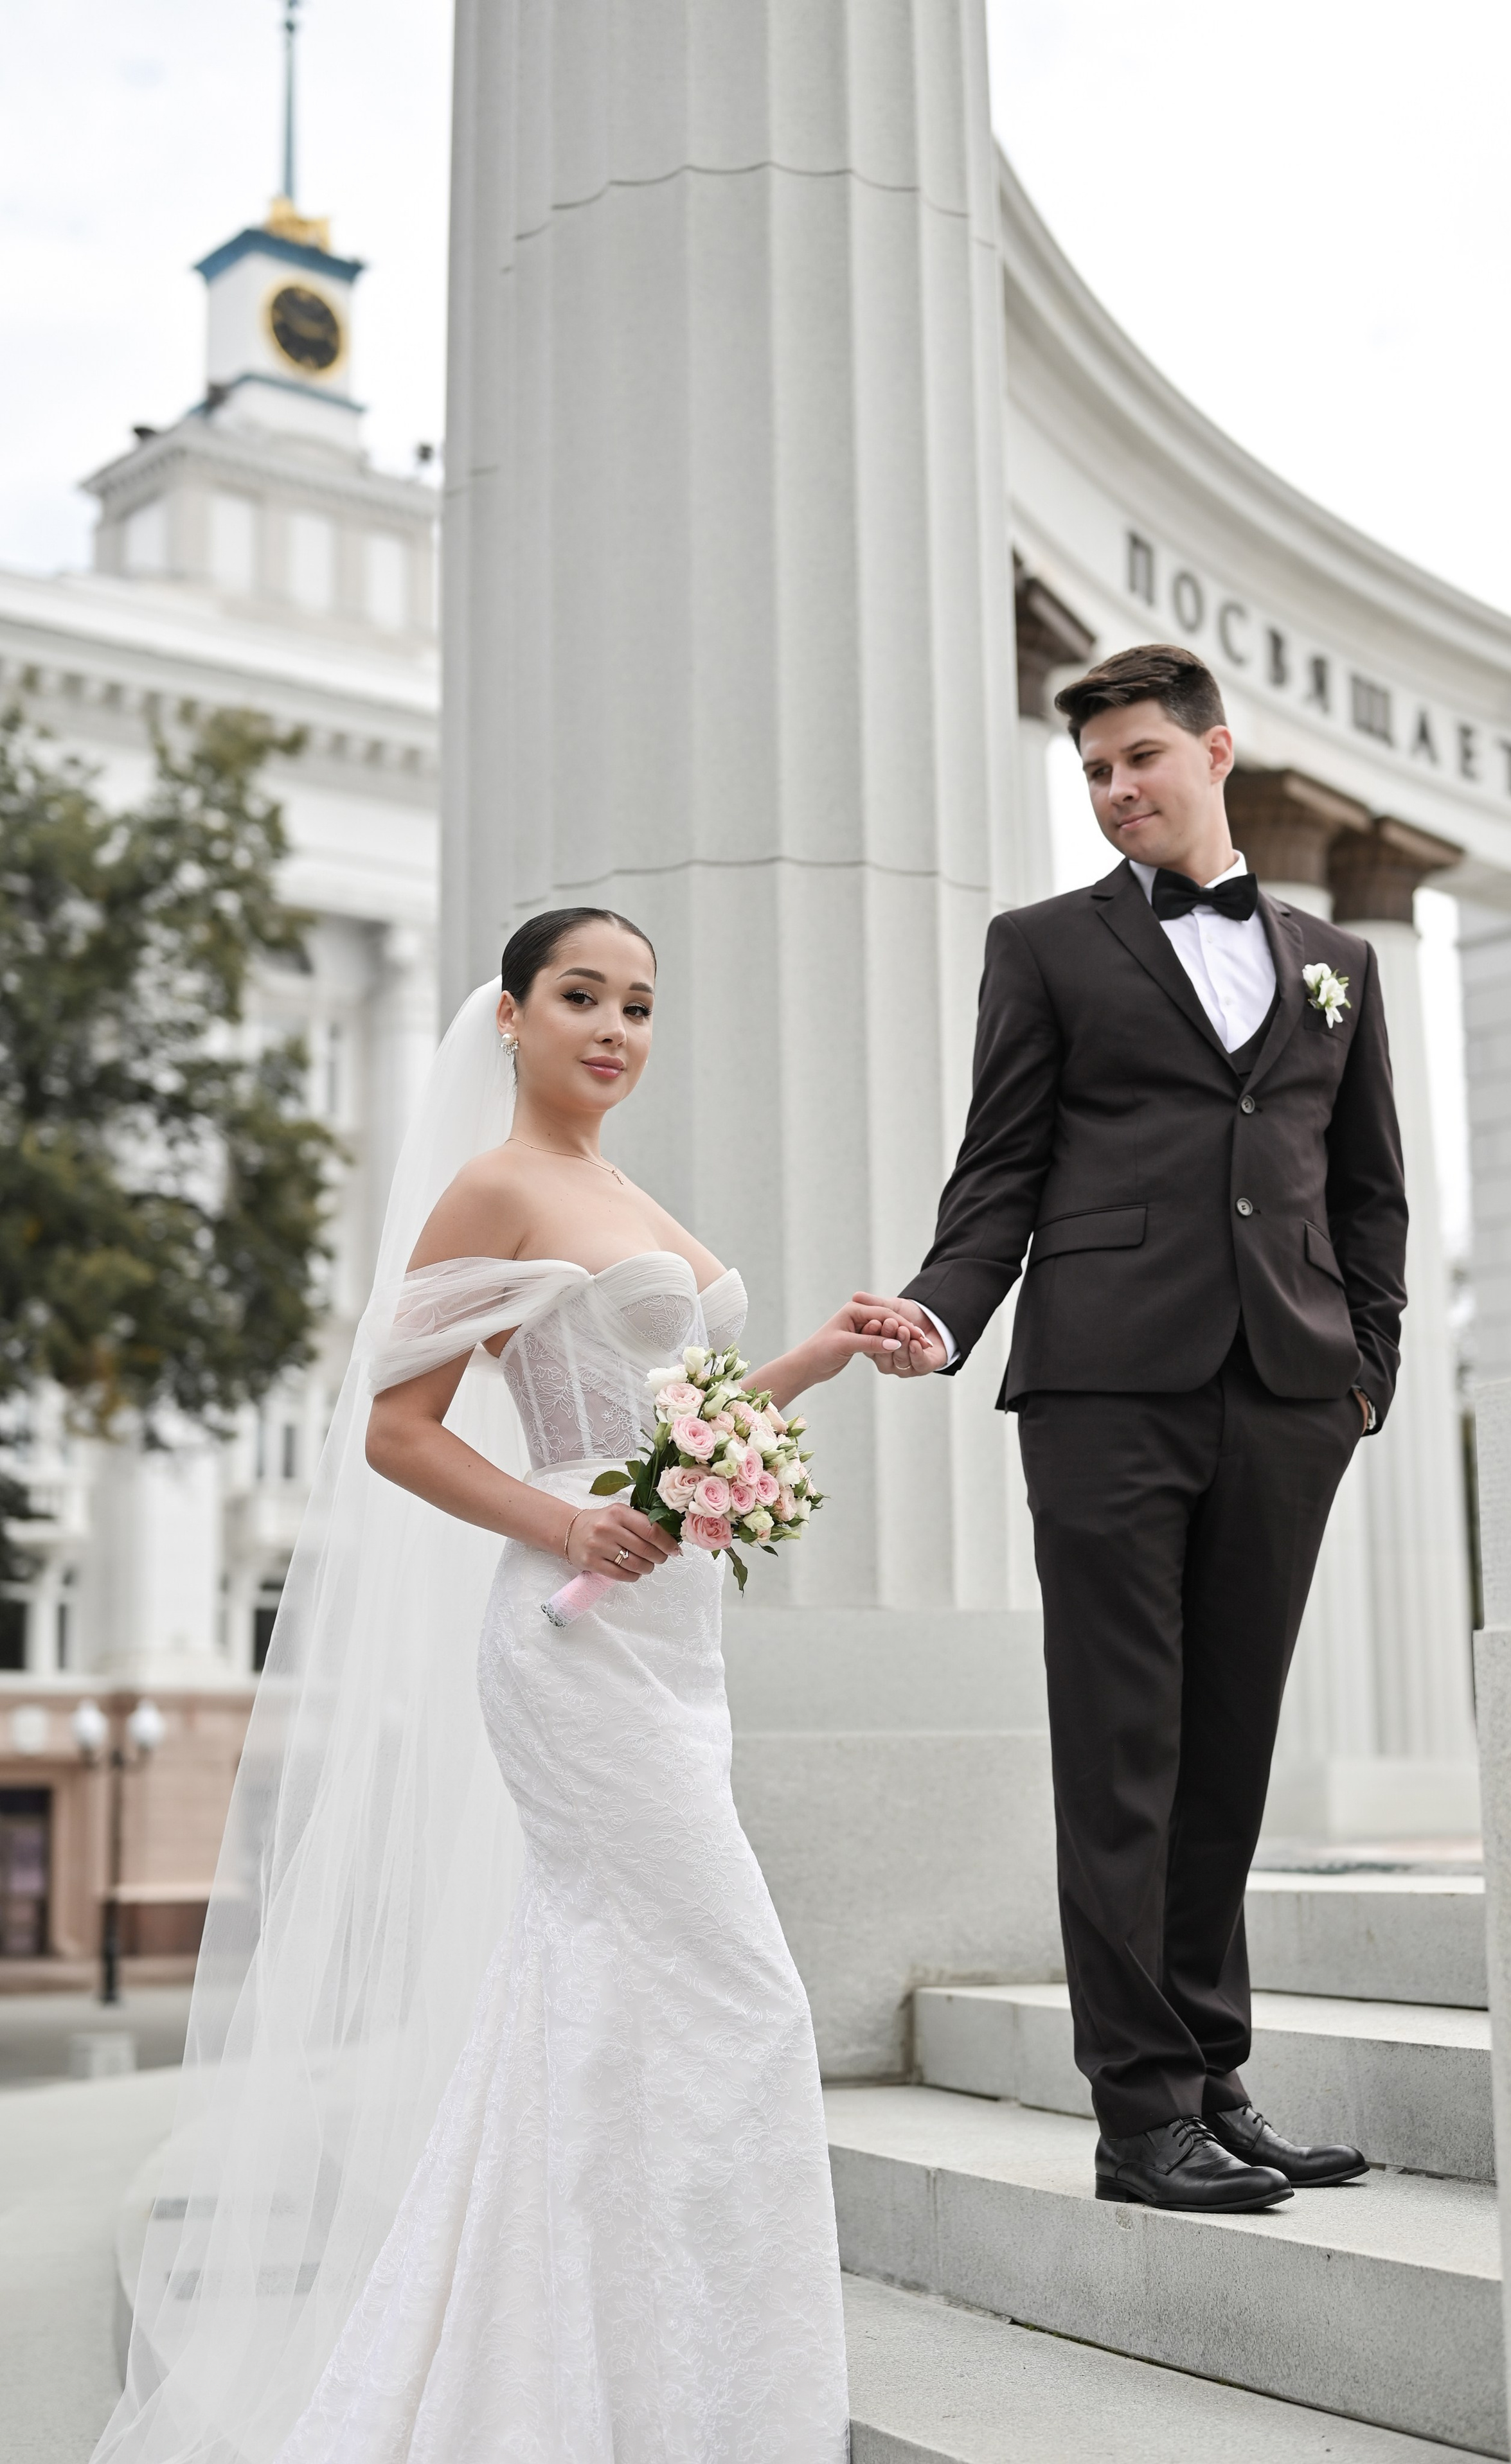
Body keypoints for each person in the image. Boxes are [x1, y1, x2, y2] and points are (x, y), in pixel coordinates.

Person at [100, 908, 918, 2464]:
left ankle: (586, 2375)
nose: (613, 1028)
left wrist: (817, 1355)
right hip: (570, 1635)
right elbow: (395, 1428)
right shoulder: (497, 1185)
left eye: (638, 1006)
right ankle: (696, 2395)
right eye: (581, 997)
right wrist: (560, 1518)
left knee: (601, 1998)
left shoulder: (618, 1189)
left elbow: (688, 1420)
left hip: (676, 1639)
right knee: (737, 1995)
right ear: (511, 1017)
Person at [855, 644, 1406, 2213]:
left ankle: (1212, 2081)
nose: (1112, 792)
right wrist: (944, 1310)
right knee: (1122, 1751)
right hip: (1103, 1390)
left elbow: (1367, 1195)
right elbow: (999, 1171)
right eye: (1091, 773)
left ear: (1214, 751)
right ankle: (1136, 2117)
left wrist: (1362, 1369)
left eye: (1138, 759)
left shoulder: (1333, 962)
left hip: (1289, 1395)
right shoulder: (1040, 948)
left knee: (1226, 1750)